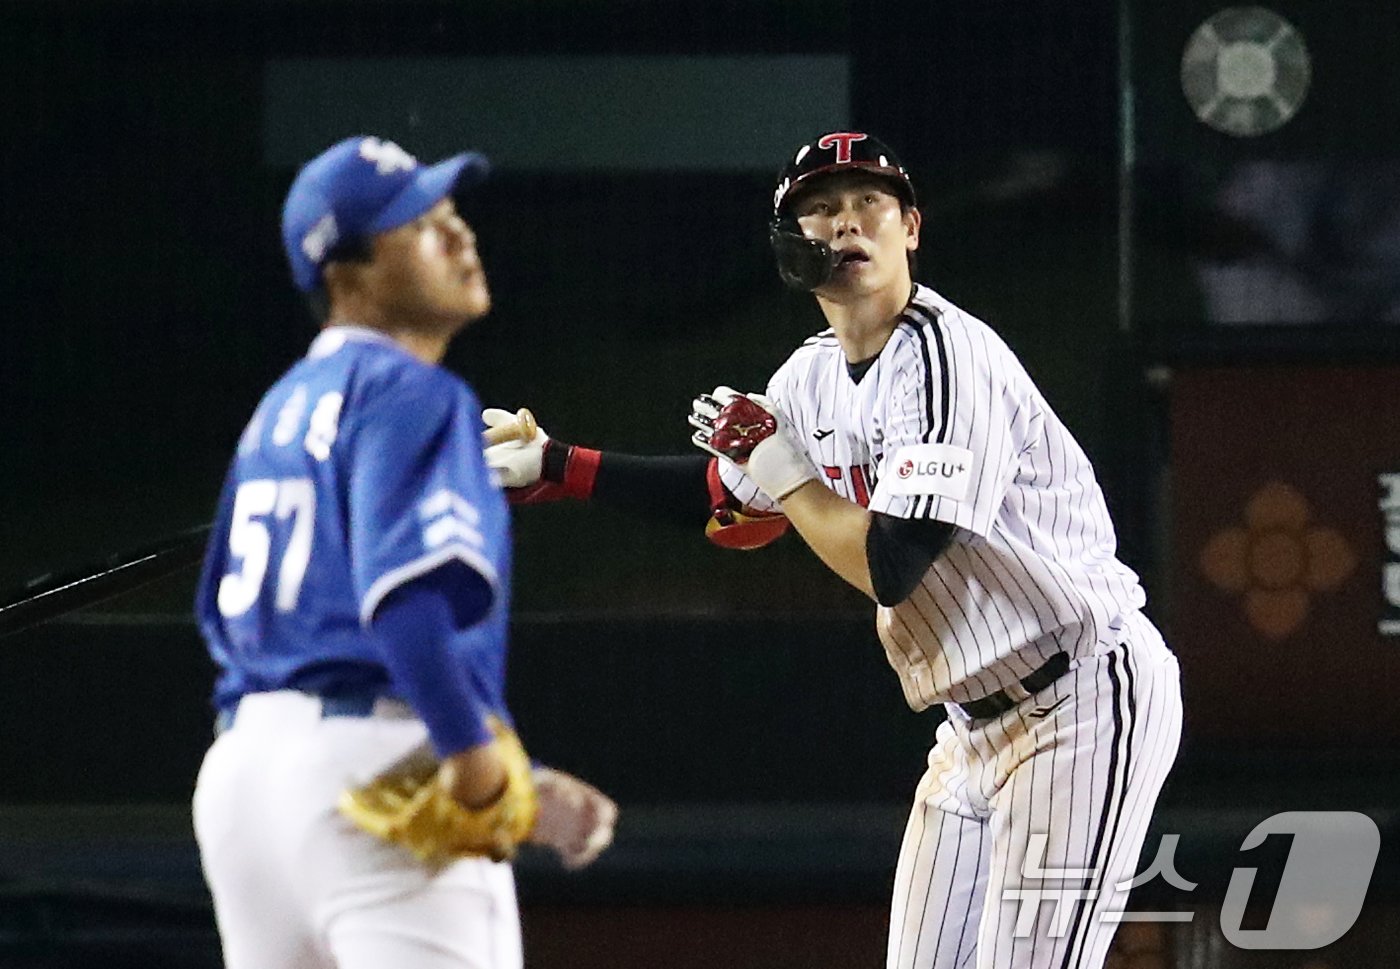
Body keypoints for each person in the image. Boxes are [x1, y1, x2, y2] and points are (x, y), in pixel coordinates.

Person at [484, 131, 1182, 969]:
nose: (847, 223)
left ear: (911, 229)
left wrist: (781, 468)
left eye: (869, 205)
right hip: (971, 727)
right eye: (820, 208)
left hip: (1080, 696)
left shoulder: (948, 358)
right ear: (792, 248)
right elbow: (724, 500)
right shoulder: (808, 379)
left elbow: (890, 562)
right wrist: (563, 464)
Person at [191, 135, 616, 969]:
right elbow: (404, 609)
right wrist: (475, 760)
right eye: (420, 225)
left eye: (453, 214)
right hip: (377, 769)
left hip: (245, 778)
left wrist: (511, 771)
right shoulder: (411, 391)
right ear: (347, 276)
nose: (459, 236)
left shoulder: (276, 411)